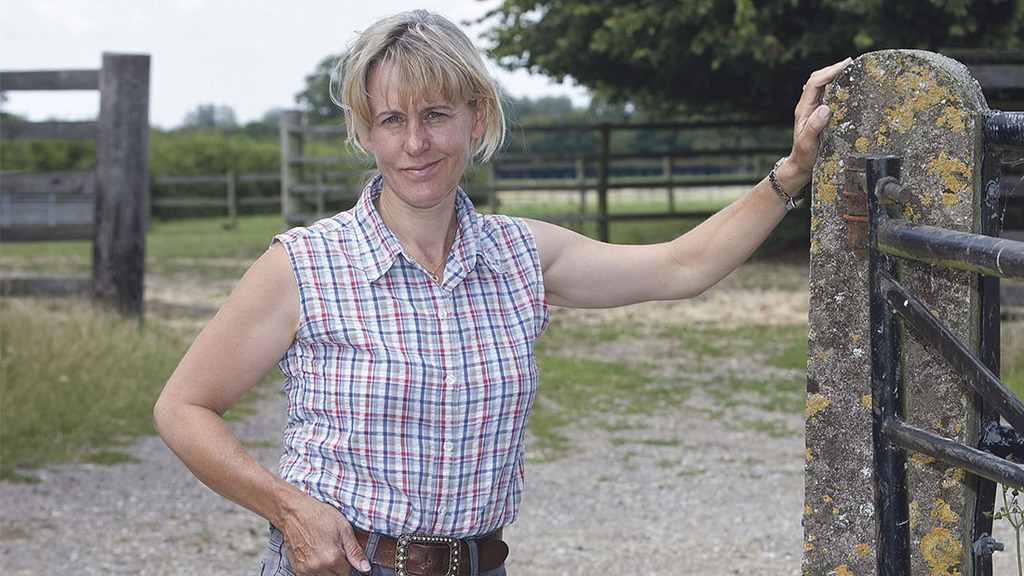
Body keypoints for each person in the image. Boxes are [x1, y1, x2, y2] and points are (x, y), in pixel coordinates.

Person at [154, 9, 850, 576]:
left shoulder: (521, 255)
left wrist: (792, 172)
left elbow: (681, 267)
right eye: (392, 120)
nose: (416, 143)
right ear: (367, 132)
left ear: (476, 118)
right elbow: (183, 408)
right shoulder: (306, 265)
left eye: (435, 114)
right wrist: (287, 509)